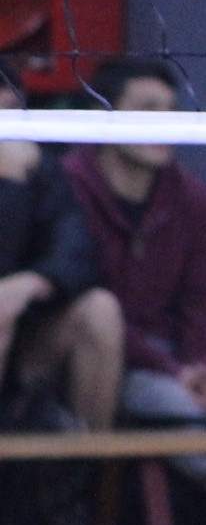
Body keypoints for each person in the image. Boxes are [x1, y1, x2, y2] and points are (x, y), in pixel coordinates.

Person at [62, 57, 206, 525]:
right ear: (104, 115)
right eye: (147, 109)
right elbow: (83, 295)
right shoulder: (69, 187)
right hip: (98, 360)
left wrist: (199, 366)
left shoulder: (192, 198)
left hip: (173, 365)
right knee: (179, 404)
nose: (164, 123)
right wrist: (173, 373)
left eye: (171, 111)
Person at [0, 54, 119, 433]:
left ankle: (90, 465)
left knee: (100, 310)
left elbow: (78, 251)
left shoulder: (39, 170)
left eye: (11, 113)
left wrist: (32, 283)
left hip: (21, 343)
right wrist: (10, 189)